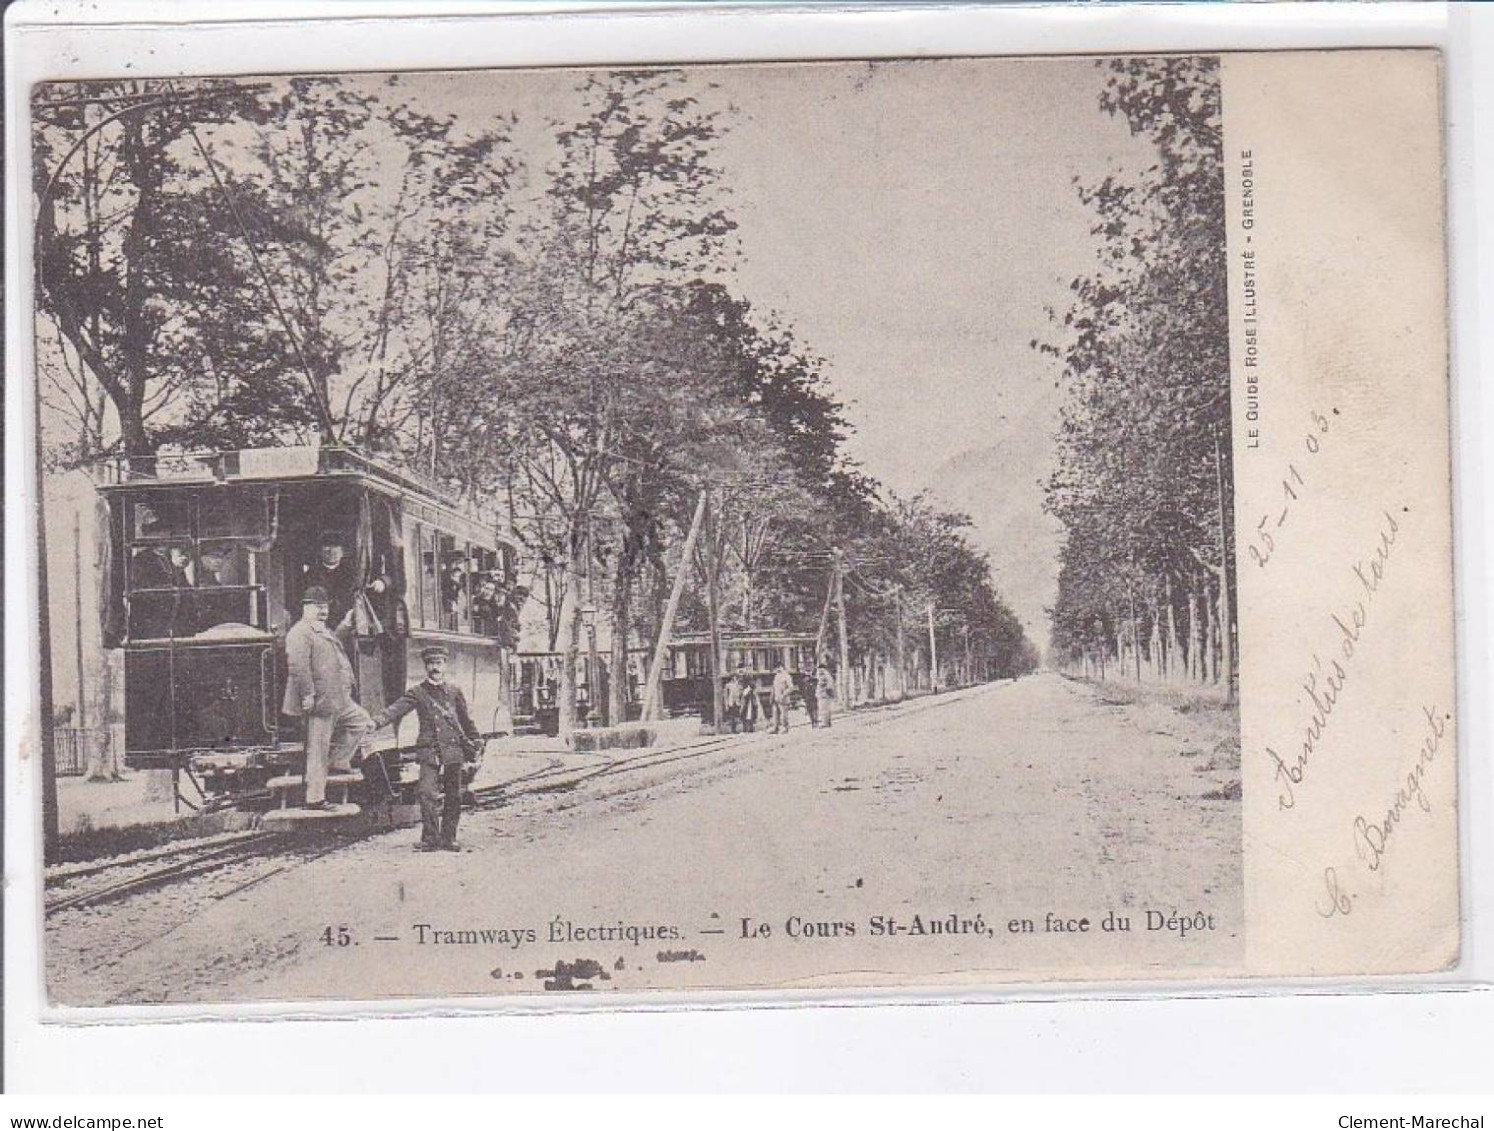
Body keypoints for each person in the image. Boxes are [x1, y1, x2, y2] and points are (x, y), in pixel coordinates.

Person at [370, 645, 482, 852]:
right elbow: (396, 709)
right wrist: (376, 722)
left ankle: (449, 838)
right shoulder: (418, 692)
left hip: (452, 750)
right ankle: (431, 838)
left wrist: (476, 740)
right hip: (429, 750)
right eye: (431, 663)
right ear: (425, 666)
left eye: (438, 663)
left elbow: (465, 720)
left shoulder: (454, 691)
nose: (435, 668)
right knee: (426, 793)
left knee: (454, 795)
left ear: (445, 665)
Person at [282, 586, 374, 810]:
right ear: (305, 607)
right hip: (320, 701)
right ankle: (315, 799)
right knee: (318, 749)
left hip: (338, 699)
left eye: (324, 607)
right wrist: (308, 694)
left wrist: (344, 623)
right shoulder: (299, 633)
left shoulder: (321, 630)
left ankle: (338, 760)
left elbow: (335, 641)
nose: (322, 611)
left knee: (363, 722)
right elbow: (298, 667)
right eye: (317, 606)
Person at [299, 530, 388, 632]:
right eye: (327, 546)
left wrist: (382, 582)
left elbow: (377, 582)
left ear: (342, 552)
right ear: (320, 551)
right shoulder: (310, 575)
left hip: (349, 626)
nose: (331, 550)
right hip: (319, 627)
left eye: (336, 546)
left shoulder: (354, 574)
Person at [770, 664, 794, 734]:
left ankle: (785, 728)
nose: (777, 670)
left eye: (779, 668)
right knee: (775, 714)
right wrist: (772, 696)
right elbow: (774, 687)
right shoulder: (776, 676)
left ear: (782, 667)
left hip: (783, 698)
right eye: (776, 668)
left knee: (784, 715)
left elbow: (791, 687)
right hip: (776, 698)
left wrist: (784, 694)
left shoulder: (787, 676)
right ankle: (775, 727)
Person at [816, 662, 836, 729]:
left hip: (824, 694)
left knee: (823, 709)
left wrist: (825, 689)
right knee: (826, 709)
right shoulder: (826, 674)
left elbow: (828, 684)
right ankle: (827, 722)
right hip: (824, 694)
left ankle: (824, 723)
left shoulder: (824, 674)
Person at [800, 661, 820, 728]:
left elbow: (816, 686)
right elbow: (801, 689)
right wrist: (803, 697)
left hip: (813, 696)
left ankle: (815, 721)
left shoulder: (814, 680)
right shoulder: (803, 681)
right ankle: (813, 722)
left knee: (814, 709)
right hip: (807, 697)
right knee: (809, 710)